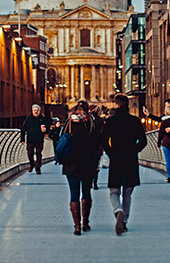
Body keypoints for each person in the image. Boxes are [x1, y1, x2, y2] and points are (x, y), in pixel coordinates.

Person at [102, 94, 148, 235]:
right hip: (130, 160)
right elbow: (143, 141)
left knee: (114, 191)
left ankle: (118, 211)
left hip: (116, 159)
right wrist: (134, 150)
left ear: (116, 105)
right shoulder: (134, 121)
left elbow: (104, 141)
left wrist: (111, 153)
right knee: (127, 193)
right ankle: (124, 221)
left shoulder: (111, 121)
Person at [62, 100, 99, 235]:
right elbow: (97, 144)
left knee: (74, 194)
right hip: (87, 163)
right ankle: (85, 223)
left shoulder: (69, 123)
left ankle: (77, 226)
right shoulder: (91, 123)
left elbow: (62, 140)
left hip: (71, 164)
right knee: (86, 192)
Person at [143, 103, 170, 182]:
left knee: (167, 161)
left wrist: (158, 143)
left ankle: (169, 177)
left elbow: (160, 133)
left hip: (165, 142)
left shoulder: (164, 122)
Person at [20, 104, 49, 174]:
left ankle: (38, 168)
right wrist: (22, 139)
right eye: (34, 110)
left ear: (40, 111)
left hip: (39, 140)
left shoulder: (43, 119)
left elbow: (48, 127)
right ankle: (32, 164)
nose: (36, 112)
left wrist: (45, 130)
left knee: (39, 154)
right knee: (30, 153)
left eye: (37, 110)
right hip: (30, 140)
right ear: (32, 111)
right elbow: (23, 129)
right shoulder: (29, 119)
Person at [90, 105, 105, 190]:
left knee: (88, 164)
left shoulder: (86, 119)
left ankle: (88, 181)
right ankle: (95, 182)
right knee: (96, 164)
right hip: (97, 146)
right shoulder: (100, 120)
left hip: (87, 146)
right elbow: (102, 134)